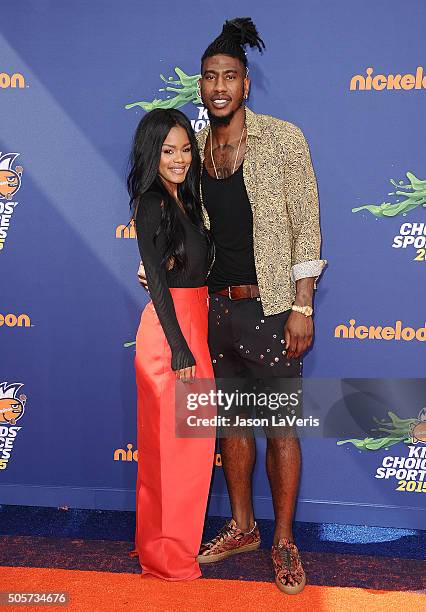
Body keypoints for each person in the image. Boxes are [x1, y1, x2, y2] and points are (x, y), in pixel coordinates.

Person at [138, 17, 326, 595]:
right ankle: (243, 527)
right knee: (234, 425)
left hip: (271, 308)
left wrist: (303, 304)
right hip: (213, 312)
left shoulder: (284, 139)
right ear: (201, 86)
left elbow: (306, 226)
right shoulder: (193, 151)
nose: (219, 86)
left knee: (281, 428)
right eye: (210, 77)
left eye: (230, 76)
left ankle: (284, 541)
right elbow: (179, 223)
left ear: (246, 84)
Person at [128, 108, 216, 581]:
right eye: (168, 151)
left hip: (193, 328)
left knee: (192, 449)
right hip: (170, 338)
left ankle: (169, 545)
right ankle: (164, 557)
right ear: (151, 153)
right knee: (170, 451)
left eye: (185, 149)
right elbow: (158, 283)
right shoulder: (151, 203)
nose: (179, 158)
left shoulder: (184, 200)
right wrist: (180, 348)